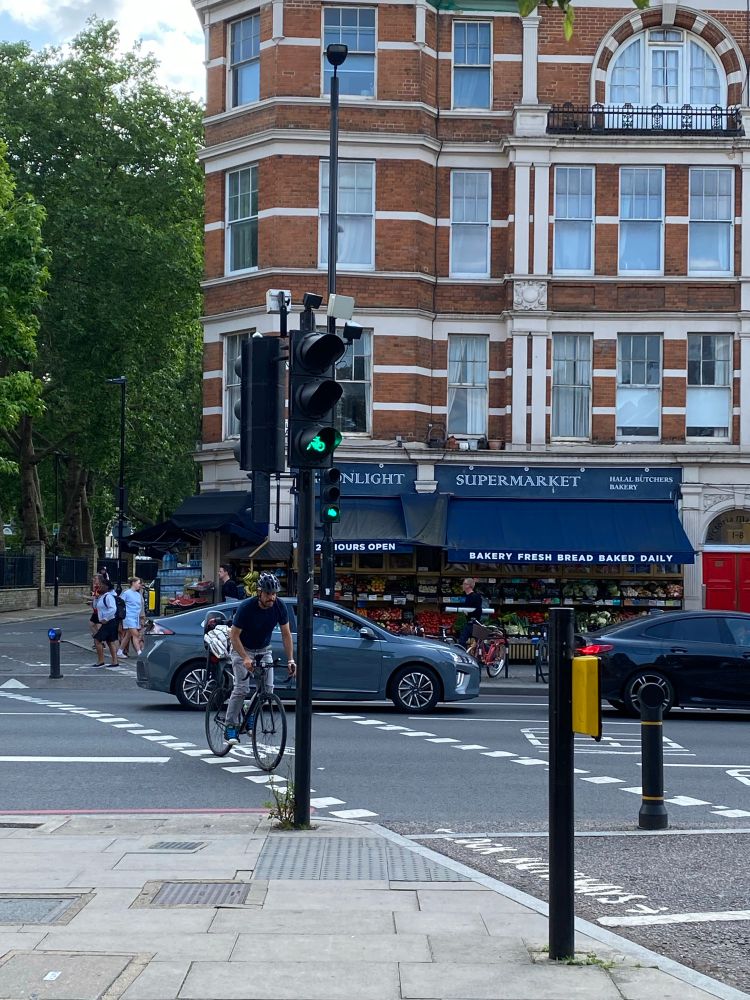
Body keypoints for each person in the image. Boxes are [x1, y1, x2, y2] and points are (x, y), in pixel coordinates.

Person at [224, 572, 296, 746]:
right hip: (242, 647)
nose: (271, 597)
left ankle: (250, 711)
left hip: (263, 649)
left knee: (268, 689)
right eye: (267, 594)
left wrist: (291, 660)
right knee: (241, 688)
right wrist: (245, 658)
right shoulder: (246, 607)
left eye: (274, 594)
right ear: (259, 592)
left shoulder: (279, 606)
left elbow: (286, 634)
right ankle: (230, 726)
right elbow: (234, 636)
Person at [93, 575, 119, 667]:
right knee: (110, 641)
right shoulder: (102, 596)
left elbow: (113, 609)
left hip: (109, 622)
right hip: (108, 622)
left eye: (101, 586)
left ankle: (101, 660)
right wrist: (95, 598)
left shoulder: (108, 596)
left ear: (106, 587)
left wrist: (105, 618)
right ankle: (115, 661)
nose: (99, 587)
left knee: (97, 640)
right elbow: (95, 607)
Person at [118, 577, 145, 658]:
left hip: (135, 617)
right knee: (136, 635)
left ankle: (119, 652)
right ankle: (140, 653)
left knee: (128, 635)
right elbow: (119, 603)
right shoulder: (126, 593)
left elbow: (140, 606)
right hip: (128, 617)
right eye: (138, 583)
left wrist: (141, 618)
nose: (140, 585)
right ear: (133, 583)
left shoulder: (138, 594)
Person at [458, 577, 484, 648]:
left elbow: (478, 610)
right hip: (470, 623)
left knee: (462, 641)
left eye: (464, 584)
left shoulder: (476, 597)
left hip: (474, 623)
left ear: (468, 585)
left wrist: (468, 613)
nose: (462, 585)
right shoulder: (465, 596)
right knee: (480, 643)